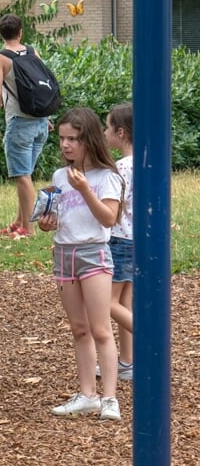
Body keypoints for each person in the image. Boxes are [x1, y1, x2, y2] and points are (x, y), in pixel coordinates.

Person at [36, 107, 124, 422]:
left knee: (101, 328)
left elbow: (108, 219)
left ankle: (110, 397)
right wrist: (47, 223)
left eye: (73, 138)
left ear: (89, 140)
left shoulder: (107, 177)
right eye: (61, 139)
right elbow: (59, 220)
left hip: (94, 253)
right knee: (79, 328)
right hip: (64, 254)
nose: (65, 145)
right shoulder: (60, 176)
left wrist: (85, 189)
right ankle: (87, 394)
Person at [0, 13, 53, 239]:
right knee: (26, 176)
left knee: (23, 176)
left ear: (0, 33)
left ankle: (29, 228)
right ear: (21, 32)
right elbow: (40, 85)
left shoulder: (0, 58)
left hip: (19, 123)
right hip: (41, 122)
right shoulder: (33, 52)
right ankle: (18, 221)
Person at [104, 103, 135, 381]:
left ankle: (150, 337)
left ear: (121, 132)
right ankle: (127, 361)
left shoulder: (121, 168)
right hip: (137, 240)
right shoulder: (146, 162)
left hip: (119, 239)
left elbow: (115, 206)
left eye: (107, 127)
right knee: (124, 300)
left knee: (106, 302)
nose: (104, 132)